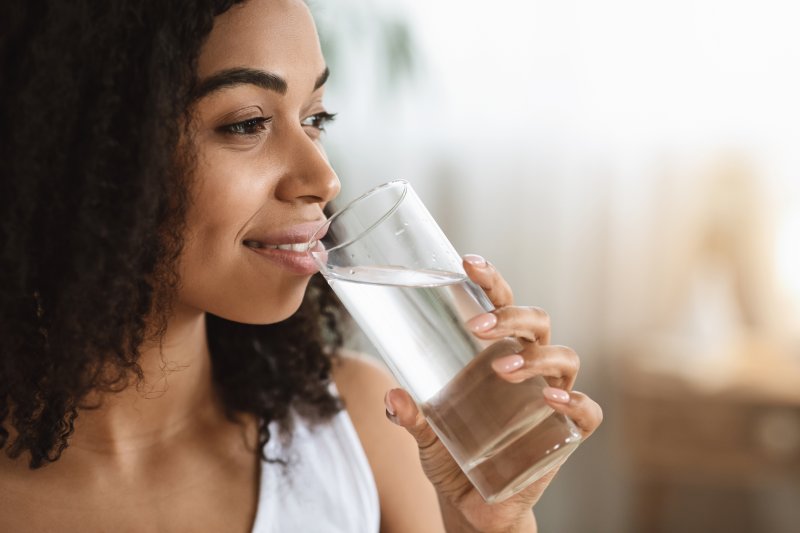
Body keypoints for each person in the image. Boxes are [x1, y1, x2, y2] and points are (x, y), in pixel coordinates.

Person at [0, 0, 603, 531]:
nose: (324, 176)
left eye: (316, 118)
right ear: (88, 153)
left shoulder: (369, 425)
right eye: (247, 124)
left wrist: (491, 525)